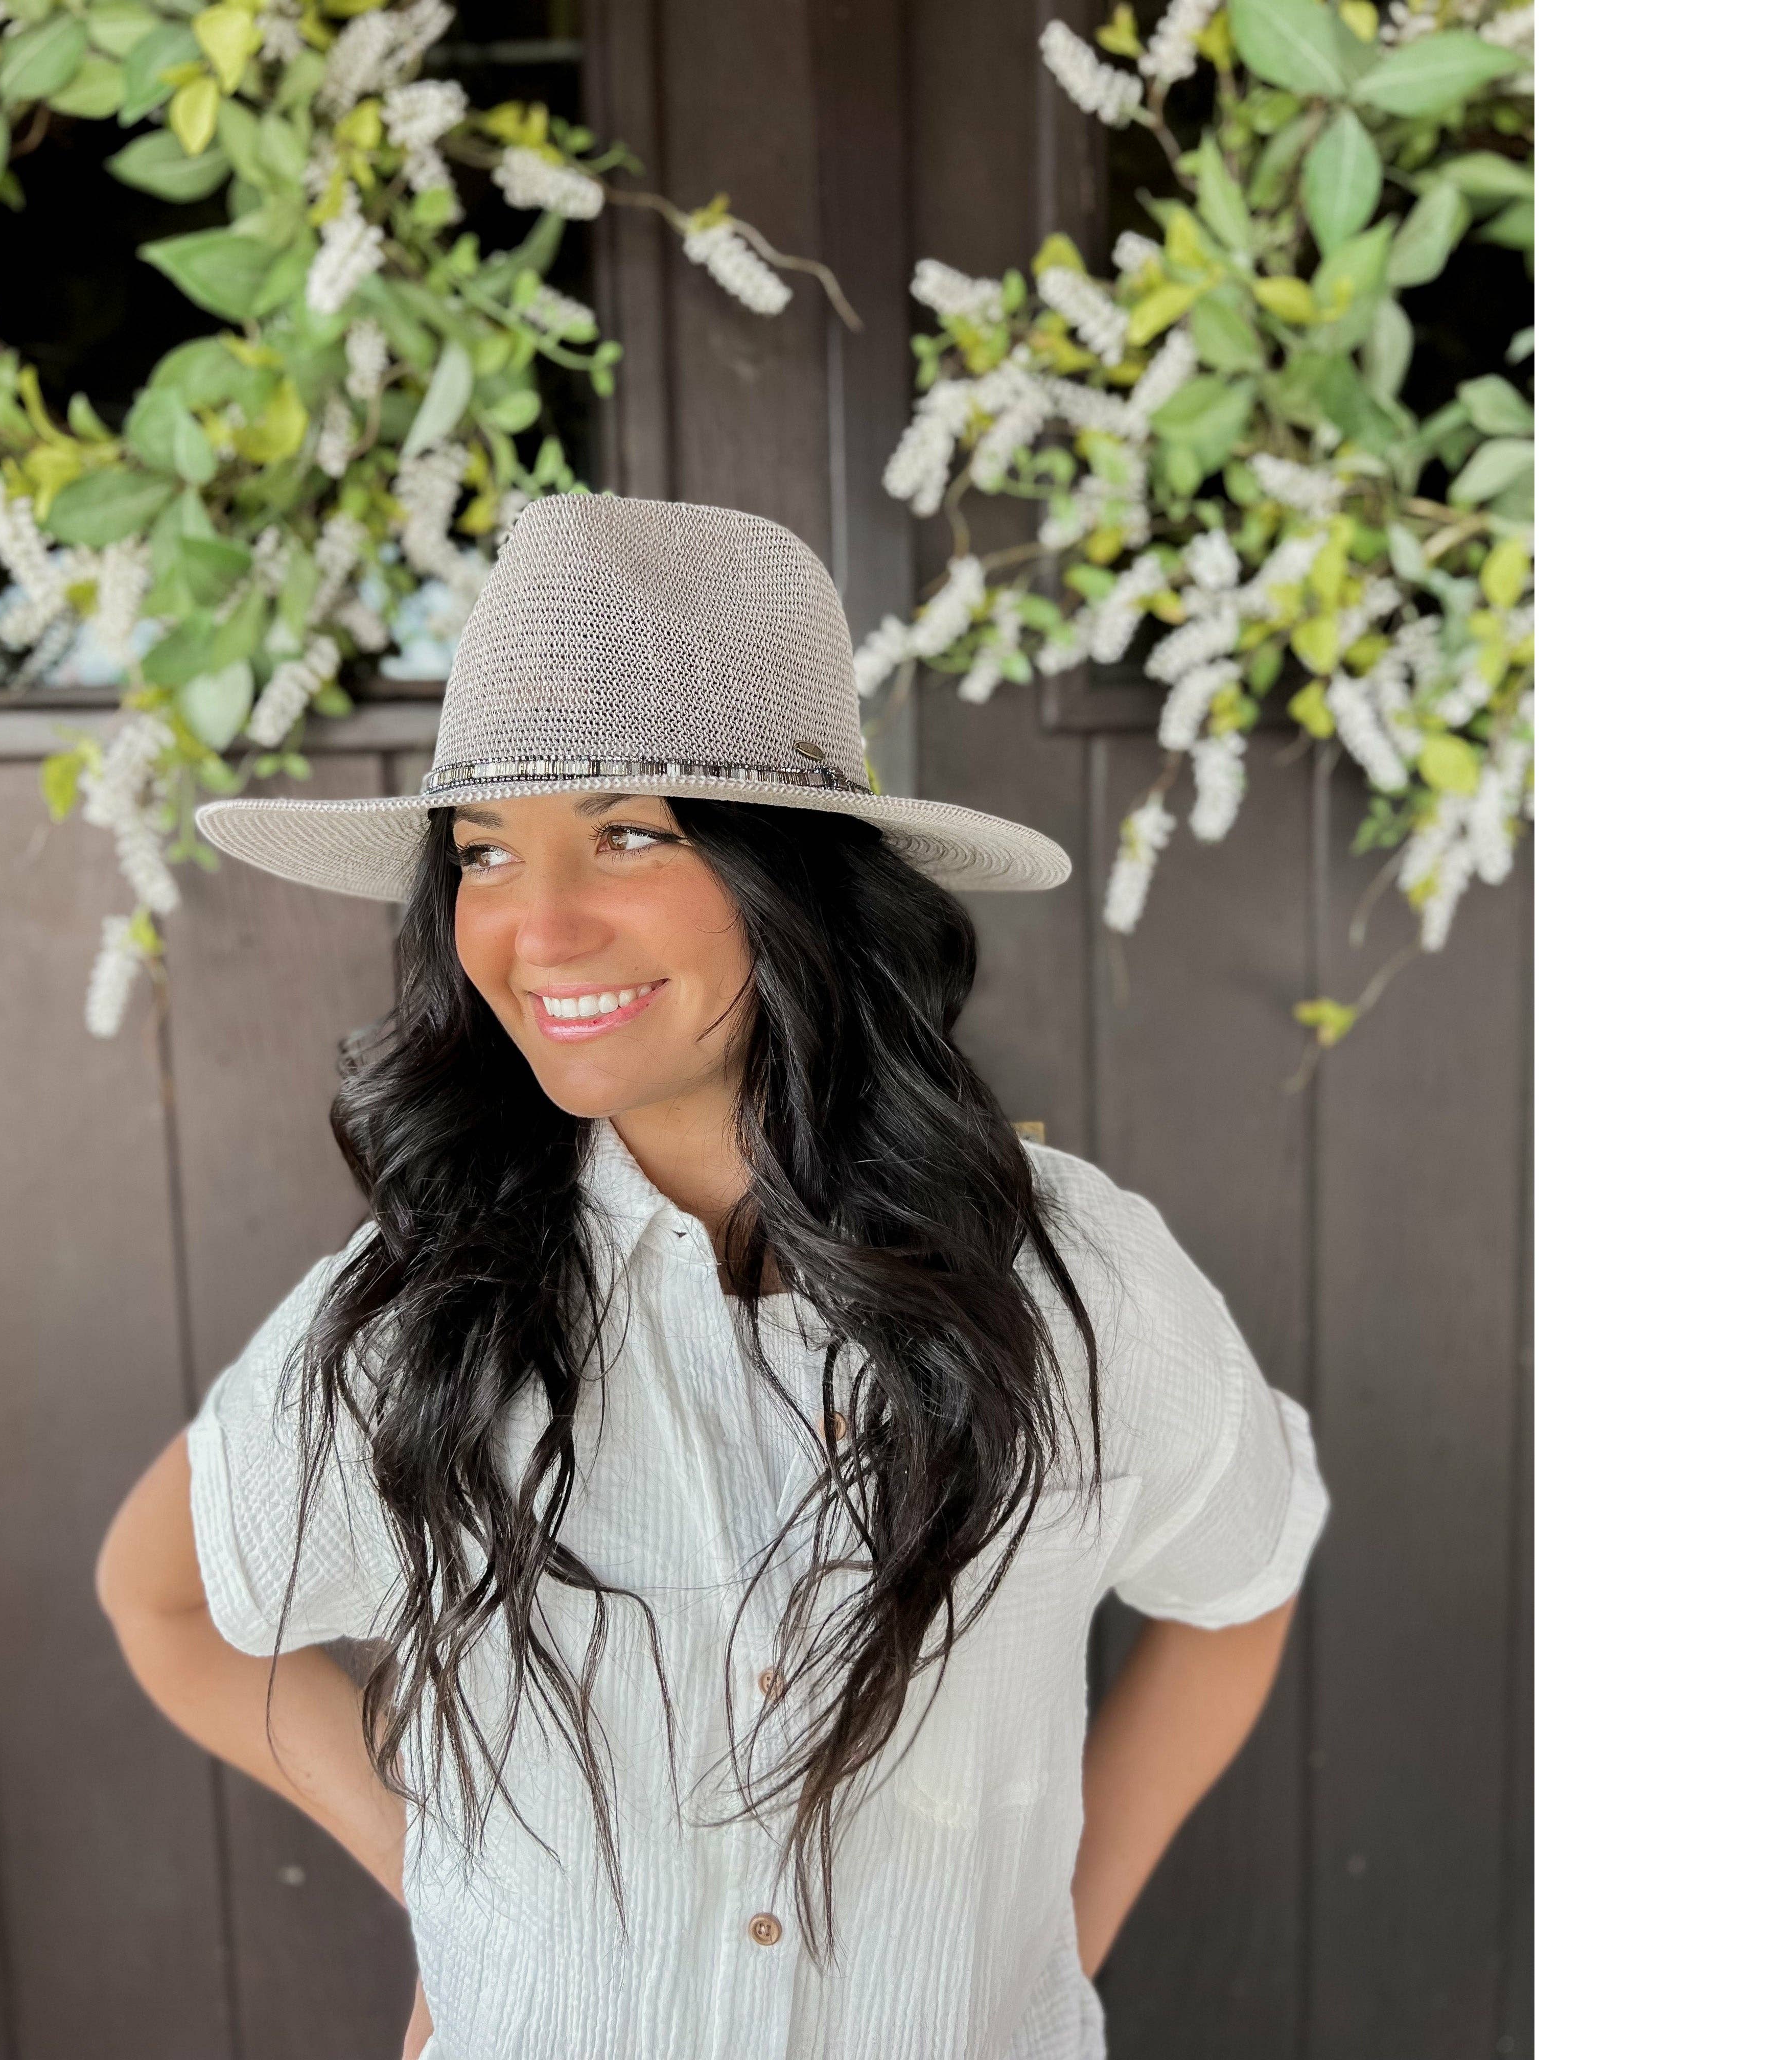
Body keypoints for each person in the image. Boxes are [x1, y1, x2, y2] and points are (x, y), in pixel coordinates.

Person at [95, 494, 1330, 2060]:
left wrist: (1049, 1957)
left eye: (627, 834)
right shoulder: (432, 1305)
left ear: (792, 876)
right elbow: (165, 1596)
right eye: (484, 854)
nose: (538, 928)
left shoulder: (1073, 1280)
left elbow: (1240, 1581)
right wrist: (442, 1886)